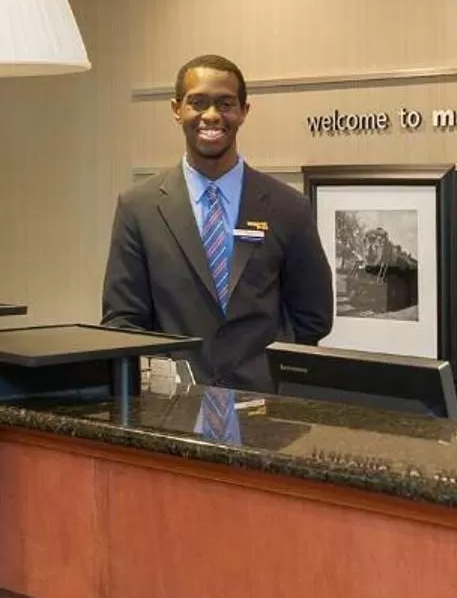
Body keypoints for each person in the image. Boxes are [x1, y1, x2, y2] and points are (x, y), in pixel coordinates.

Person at [102, 54, 334, 391]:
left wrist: (267, 372)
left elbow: (313, 316)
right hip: (170, 411)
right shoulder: (139, 207)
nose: (211, 115)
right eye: (198, 103)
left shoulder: (288, 207)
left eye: (225, 104)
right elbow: (123, 320)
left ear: (243, 112)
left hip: (266, 411)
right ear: (176, 109)